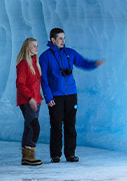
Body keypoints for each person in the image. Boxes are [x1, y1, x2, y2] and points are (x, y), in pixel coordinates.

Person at [39, 28, 104, 163]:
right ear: (53, 40)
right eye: (60, 38)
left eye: (64, 38)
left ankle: (70, 154)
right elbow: (43, 79)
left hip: (71, 95)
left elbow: (83, 63)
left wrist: (95, 64)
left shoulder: (70, 53)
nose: (63, 41)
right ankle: (55, 155)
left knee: (70, 125)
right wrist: (48, 97)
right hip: (56, 96)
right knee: (56, 125)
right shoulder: (45, 57)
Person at [15, 37, 43, 166]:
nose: (36, 48)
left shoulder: (35, 63)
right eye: (33, 46)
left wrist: (39, 98)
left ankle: (26, 156)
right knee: (34, 127)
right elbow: (20, 83)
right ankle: (30, 154)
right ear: (27, 48)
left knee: (28, 127)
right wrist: (30, 98)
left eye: (37, 46)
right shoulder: (23, 64)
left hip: (35, 100)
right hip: (27, 101)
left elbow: (35, 84)